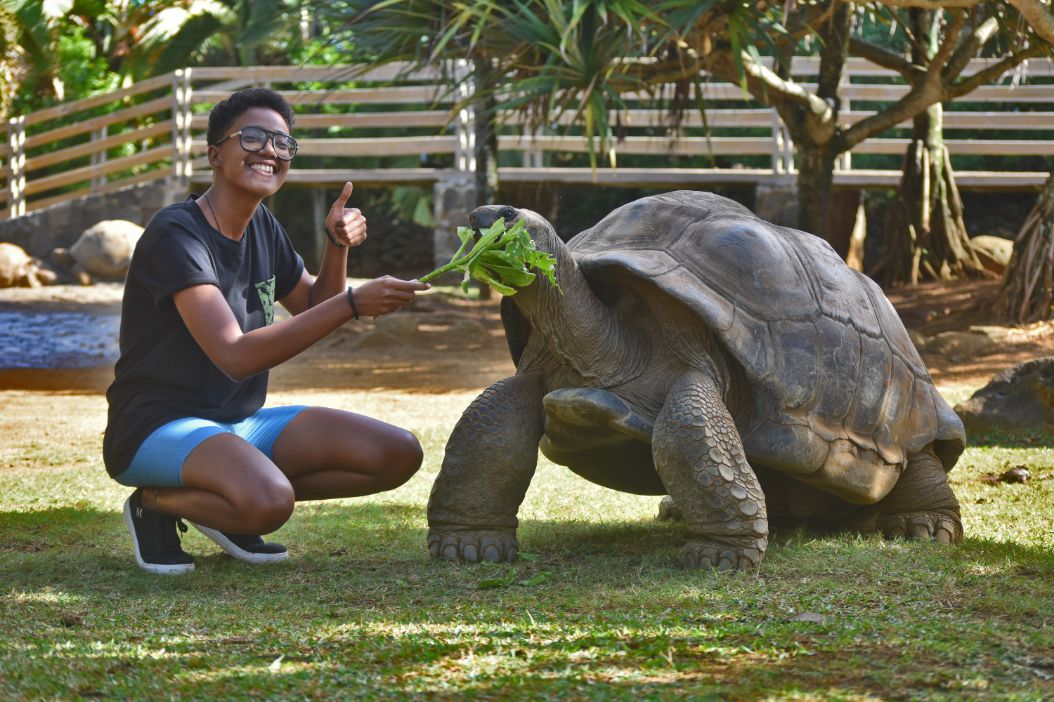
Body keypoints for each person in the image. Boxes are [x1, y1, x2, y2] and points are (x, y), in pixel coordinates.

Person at [103, 88, 429, 574]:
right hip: (156, 425)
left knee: (395, 454)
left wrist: (336, 246)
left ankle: (229, 492)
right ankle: (156, 502)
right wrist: (354, 303)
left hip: (237, 423)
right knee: (271, 504)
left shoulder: (264, 228)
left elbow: (317, 307)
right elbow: (233, 355)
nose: (270, 151)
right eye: (253, 137)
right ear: (215, 153)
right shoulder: (177, 235)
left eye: (282, 142)